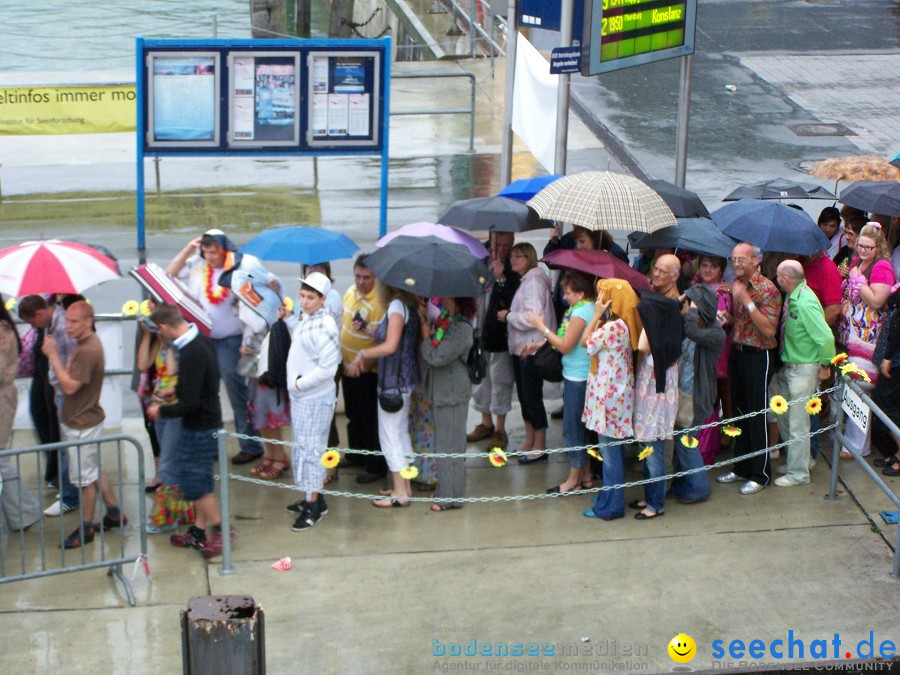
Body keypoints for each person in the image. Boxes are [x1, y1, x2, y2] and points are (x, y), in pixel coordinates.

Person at [166, 229, 264, 465]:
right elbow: (170, 274)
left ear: (224, 249)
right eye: (206, 251)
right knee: (204, 394)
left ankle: (250, 444)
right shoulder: (198, 265)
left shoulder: (240, 268)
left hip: (231, 340)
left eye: (214, 251)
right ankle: (209, 445)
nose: (210, 256)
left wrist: (248, 340)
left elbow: (255, 304)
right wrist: (188, 250)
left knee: (237, 393)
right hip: (202, 341)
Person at [147, 303, 231, 558]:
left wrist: (161, 411)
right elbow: (204, 381)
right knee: (200, 479)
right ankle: (198, 530)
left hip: (200, 426)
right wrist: (178, 389)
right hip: (207, 422)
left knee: (195, 483)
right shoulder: (201, 341)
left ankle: (221, 531)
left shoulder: (192, 351)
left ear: (163, 328)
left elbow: (190, 404)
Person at [42, 301, 126, 549]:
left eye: (74, 321)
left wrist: (54, 355)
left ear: (88, 321)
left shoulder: (88, 349)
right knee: (92, 470)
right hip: (82, 419)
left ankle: (86, 529)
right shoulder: (84, 345)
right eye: (66, 320)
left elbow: (69, 386)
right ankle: (114, 512)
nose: (68, 326)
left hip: (82, 423)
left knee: (85, 481)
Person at [716, 243, 781, 495]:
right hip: (738, 351)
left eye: (741, 260)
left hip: (759, 356)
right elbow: (744, 323)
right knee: (739, 412)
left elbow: (768, 330)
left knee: (756, 414)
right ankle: (741, 467)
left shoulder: (767, 289)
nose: (736, 265)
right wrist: (729, 318)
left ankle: (760, 473)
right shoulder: (736, 284)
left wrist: (746, 301)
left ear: (756, 261)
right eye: (733, 260)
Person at [348, 282, 420, 508]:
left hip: (393, 382)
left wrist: (362, 353)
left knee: (390, 436)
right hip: (404, 380)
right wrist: (371, 330)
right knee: (400, 434)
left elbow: (390, 346)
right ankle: (405, 486)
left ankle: (400, 493)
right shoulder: (409, 304)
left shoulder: (397, 306)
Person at [525, 271, 595, 494]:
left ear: (581, 293)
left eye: (568, 293)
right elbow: (567, 339)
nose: (564, 297)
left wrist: (540, 325)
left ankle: (573, 480)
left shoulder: (581, 312)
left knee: (572, 429)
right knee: (581, 428)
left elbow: (565, 345)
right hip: (580, 375)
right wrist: (541, 343)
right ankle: (586, 475)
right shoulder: (587, 308)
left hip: (577, 378)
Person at [284, 273, 342, 531]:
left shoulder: (326, 325)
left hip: (314, 399)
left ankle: (314, 506)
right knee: (303, 447)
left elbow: (328, 369)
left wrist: (298, 384)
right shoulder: (309, 318)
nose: (304, 301)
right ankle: (312, 496)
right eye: (302, 296)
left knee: (312, 450)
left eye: (310, 297)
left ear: (323, 299)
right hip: (301, 397)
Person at [582, 279, 641, 521]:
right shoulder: (622, 324)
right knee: (611, 453)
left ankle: (612, 505)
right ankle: (609, 496)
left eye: (601, 296)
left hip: (608, 401)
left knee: (610, 455)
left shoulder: (611, 327)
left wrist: (595, 316)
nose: (598, 301)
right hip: (615, 398)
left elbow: (585, 341)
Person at [772, 261, 835, 487]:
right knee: (785, 414)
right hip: (790, 366)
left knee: (798, 422)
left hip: (804, 368)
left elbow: (826, 338)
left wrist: (826, 364)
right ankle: (800, 460)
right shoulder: (793, 296)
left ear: (785, 279)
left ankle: (798, 474)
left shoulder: (806, 302)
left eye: (778, 276)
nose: (776, 279)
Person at [16, 295, 79, 515]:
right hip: (59, 391)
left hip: (66, 393)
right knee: (65, 444)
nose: (33, 327)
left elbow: (71, 364)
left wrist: (51, 356)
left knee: (67, 445)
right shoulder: (53, 325)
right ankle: (70, 487)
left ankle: (71, 495)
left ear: (40, 314)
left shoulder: (60, 329)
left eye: (33, 322)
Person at [136, 299, 194, 533]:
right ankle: (182, 511)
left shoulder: (179, 345)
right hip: (159, 408)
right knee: (171, 463)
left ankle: (165, 517)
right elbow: (143, 364)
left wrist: (168, 342)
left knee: (168, 465)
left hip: (174, 408)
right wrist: (148, 335)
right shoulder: (156, 341)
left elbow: (171, 370)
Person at [837, 222, 894, 459]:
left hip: (869, 339)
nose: (862, 250)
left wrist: (858, 281)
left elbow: (877, 301)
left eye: (868, 247)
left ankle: (857, 445)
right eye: (860, 245)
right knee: (850, 387)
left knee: (860, 387)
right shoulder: (859, 262)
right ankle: (855, 441)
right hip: (852, 335)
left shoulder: (882, 268)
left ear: (878, 247)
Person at [418, 297, 475, 511]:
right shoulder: (445, 320)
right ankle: (446, 490)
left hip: (452, 392)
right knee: (445, 443)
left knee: (450, 445)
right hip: (444, 390)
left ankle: (450, 497)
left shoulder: (460, 328)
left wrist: (425, 332)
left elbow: (436, 356)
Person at [629, 292, 683, 520]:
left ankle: (655, 504)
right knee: (647, 451)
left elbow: (642, 346)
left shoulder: (660, 342)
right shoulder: (665, 337)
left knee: (654, 454)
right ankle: (650, 496)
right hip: (648, 401)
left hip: (654, 404)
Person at [669, 285, 724, 504]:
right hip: (682, 394)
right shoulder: (693, 324)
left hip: (696, 396)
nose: (685, 308)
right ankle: (683, 485)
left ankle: (699, 488)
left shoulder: (714, 333)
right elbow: (673, 314)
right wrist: (683, 297)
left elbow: (692, 331)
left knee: (685, 443)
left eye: (690, 305)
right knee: (681, 443)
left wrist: (692, 306)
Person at [503, 243, 556, 462]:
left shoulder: (533, 281)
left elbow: (533, 317)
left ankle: (540, 444)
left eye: (519, 256)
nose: (513, 259)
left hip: (531, 347)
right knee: (525, 396)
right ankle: (529, 439)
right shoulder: (527, 280)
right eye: (511, 255)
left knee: (532, 396)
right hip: (522, 347)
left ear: (530, 258)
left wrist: (508, 316)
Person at [468, 231, 519, 450]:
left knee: (501, 380)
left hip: (499, 334)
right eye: (500, 245)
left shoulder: (513, 263)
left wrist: (501, 278)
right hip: (477, 326)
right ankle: (485, 423)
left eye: (508, 246)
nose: (503, 250)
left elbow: (515, 296)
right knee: (479, 377)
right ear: (491, 240)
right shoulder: (478, 257)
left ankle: (499, 429)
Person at [339, 254, 387, 483]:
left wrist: (364, 365)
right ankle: (357, 453)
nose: (360, 282)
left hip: (367, 372)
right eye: (357, 276)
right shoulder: (350, 292)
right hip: (348, 367)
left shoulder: (380, 302)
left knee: (370, 419)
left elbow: (381, 342)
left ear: (375, 277)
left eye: (366, 278)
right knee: (353, 415)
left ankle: (375, 465)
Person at [0, 296, 41, 533]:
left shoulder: (3, 331)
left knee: (1, 459)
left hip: (2, 400)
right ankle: (20, 513)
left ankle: (25, 511)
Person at [692, 256, 733, 463]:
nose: (708, 270)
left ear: (720, 271)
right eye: (704, 265)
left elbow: (720, 320)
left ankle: (707, 446)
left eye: (713, 267)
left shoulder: (722, 292)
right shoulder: (695, 286)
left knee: (710, 396)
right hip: (696, 348)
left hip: (714, 349)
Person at [871, 285, 900, 476]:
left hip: (895, 361)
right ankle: (894, 452)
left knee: (888, 408)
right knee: (886, 406)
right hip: (892, 358)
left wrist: (887, 358)